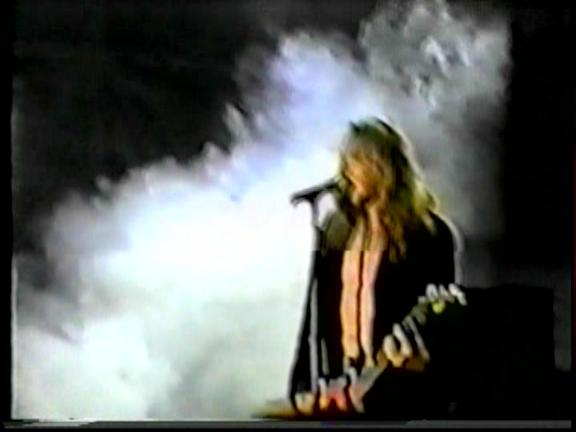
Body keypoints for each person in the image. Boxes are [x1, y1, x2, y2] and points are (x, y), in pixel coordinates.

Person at [286, 118, 466, 419]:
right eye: (346, 161)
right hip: (343, 385)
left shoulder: (429, 234)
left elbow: (442, 318)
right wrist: (301, 382)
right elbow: (315, 312)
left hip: (401, 388)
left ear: (382, 168)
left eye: (356, 161)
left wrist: (419, 357)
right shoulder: (337, 228)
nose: (346, 171)